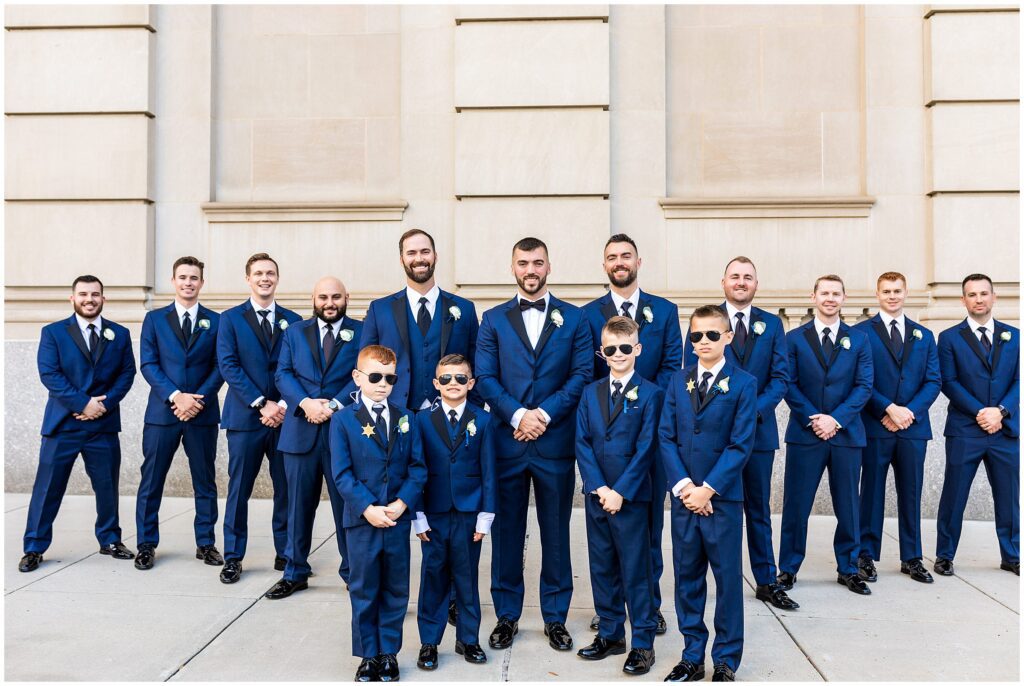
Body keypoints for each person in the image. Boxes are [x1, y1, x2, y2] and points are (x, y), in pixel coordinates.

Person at [475, 237, 593, 652]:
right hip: (507, 443)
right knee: (507, 533)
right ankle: (507, 615)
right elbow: (485, 377)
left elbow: (581, 375)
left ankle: (556, 617)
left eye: (537, 263)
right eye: (523, 263)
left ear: (549, 267)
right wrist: (517, 416)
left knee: (556, 534)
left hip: (554, 442)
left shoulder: (575, 319)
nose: (531, 270)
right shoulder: (492, 319)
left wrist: (541, 415)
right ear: (512, 268)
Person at [581, 234, 682, 633]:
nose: (619, 262)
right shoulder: (588, 315)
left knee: (647, 531)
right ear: (604, 264)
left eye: (626, 256)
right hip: (604, 436)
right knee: (606, 540)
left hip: (648, 436)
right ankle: (610, 611)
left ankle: (648, 606)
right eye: (612, 257)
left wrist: (640, 404)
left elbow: (673, 367)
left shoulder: (665, 311)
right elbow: (588, 373)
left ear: (639, 260)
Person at [683, 256, 795, 610]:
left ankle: (766, 579)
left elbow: (781, 377)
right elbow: (692, 371)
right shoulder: (705, 321)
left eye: (748, 277)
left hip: (758, 433)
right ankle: (718, 581)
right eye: (735, 276)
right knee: (715, 505)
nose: (741, 282)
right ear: (723, 282)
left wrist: (752, 410)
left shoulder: (772, 324)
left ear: (756, 284)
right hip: (714, 437)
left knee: (758, 508)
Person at [660, 305, 756, 683]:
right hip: (684, 499)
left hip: (721, 499)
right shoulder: (676, 380)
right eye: (696, 335)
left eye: (712, 335)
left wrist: (708, 489)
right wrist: (685, 487)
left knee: (727, 579)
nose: (703, 342)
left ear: (728, 337)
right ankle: (691, 655)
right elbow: (666, 436)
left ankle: (726, 659)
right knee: (687, 578)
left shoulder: (744, 383)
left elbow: (740, 443)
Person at [20, 275, 137, 572]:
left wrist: (103, 404)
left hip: (103, 424)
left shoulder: (120, 334)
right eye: (83, 294)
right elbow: (50, 374)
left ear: (103, 299)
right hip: (63, 425)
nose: (89, 299)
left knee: (107, 486)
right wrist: (82, 403)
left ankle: (110, 539)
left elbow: (127, 374)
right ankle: (34, 546)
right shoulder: (54, 333)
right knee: (47, 488)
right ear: (72, 298)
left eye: (95, 294)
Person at [331, 345, 427, 682]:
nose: (383, 383)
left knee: (396, 588)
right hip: (362, 520)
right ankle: (367, 655)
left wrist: (403, 503)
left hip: (396, 518)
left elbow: (417, 468)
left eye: (390, 377)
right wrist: (368, 508)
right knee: (364, 586)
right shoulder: (343, 420)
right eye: (375, 376)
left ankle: (389, 653)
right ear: (358, 377)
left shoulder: (406, 418)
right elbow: (341, 473)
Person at [574, 316, 662, 676]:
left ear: (637, 349)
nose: (619, 354)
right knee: (602, 565)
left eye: (626, 348)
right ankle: (611, 633)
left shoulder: (652, 393)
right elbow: (582, 442)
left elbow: (647, 448)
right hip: (598, 495)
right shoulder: (590, 392)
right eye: (611, 349)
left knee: (635, 570)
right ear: (602, 352)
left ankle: (642, 642)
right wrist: (600, 487)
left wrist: (621, 491)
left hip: (632, 497)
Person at [265, 276, 361, 599]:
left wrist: (334, 405)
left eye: (336, 296)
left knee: (346, 506)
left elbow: (364, 375)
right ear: (313, 298)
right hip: (299, 430)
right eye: (323, 297)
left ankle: (352, 572)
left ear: (347, 297)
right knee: (297, 506)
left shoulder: (361, 332)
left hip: (342, 433)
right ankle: (295, 571)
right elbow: (283, 374)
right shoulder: (294, 332)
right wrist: (306, 403)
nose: (330, 303)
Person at [778, 275, 874, 597]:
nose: (830, 298)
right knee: (796, 504)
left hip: (846, 435)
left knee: (848, 505)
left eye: (836, 293)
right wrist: (814, 419)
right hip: (806, 434)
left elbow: (864, 386)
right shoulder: (794, 338)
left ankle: (848, 567)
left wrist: (836, 419)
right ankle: (788, 568)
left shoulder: (859, 340)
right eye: (824, 293)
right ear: (813, 296)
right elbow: (787, 383)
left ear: (844, 298)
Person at [216, 253, 302, 583]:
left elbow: (297, 368)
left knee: (286, 488)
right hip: (244, 418)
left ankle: (287, 551)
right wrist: (260, 403)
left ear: (277, 279)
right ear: (248, 279)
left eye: (270, 273)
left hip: (284, 419)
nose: (264, 278)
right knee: (239, 489)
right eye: (258, 273)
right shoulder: (230, 319)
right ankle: (234, 556)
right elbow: (229, 365)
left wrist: (281, 404)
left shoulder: (294, 321)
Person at [135, 256, 224, 570]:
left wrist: (196, 399)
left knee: (205, 481)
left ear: (202, 282)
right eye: (183, 277)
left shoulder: (216, 321)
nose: (188, 282)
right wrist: (176, 396)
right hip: (163, 413)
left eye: (194, 277)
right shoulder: (155, 320)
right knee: (152, 481)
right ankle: (146, 544)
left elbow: (221, 365)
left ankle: (206, 543)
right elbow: (148, 363)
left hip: (202, 413)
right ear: (173, 281)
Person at [853, 271, 940, 584]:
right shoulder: (860, 333)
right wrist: (887, 409)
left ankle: (912, 557)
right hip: (876, 425)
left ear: (906, 293)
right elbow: (859, 380)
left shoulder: (924, 335)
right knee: (871, 492)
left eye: (897, 290)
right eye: (886, 291)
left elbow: (933, 381)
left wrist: (909, 413)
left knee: (911, 492)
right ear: (877, 294)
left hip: (913, 429)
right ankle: (865, 554)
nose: (892, 296)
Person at [413, 354, 496, 671]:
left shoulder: (483, 420)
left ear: (471, 383)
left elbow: (489, 471)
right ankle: (429, 642)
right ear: (436, 384)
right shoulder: (421, 420)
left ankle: (469, 639)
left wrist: (485, 516)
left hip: (468, 512)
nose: (453, 384)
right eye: (446, 379)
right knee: (432, 576)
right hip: (433, 513)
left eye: (461, 378)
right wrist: (417, 515)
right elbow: (416, 471)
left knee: (466, 576)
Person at [934, 273, 1019, 577]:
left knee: (1009, 496)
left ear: (994, 297)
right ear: (963, 300)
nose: (979, 299)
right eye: (972, 294)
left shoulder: (1015, 336)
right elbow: (948, 381)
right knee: (954, 494)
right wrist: (981, 412)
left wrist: (1001, 411)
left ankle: (1012, 554)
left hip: (1004, 430)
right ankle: (944, 555)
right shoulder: (949, 337)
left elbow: (1019, 380)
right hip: (965, 429)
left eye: (984, 294)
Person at [359, 228, 479, 412]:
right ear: (402, 260)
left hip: (451, 415)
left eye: (425, 252)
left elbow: (477, 364)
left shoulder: (465, 309)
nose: (419, 259)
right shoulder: (379, 309)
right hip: (395, 412)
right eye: (411, 253)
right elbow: (364, 365)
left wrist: (472, 410)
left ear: (435, 256)